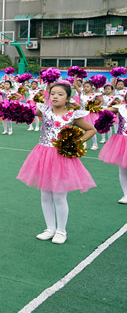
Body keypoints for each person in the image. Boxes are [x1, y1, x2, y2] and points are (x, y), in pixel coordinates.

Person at [16, 82, 96, 244]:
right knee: (45, 194)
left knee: (59, 195)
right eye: (52, 94)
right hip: (43, 155)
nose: (55, 97)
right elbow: (26, 112)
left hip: (61, 157)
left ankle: (61, 231)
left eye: (60, 94)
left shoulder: (72, 115)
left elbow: (91, 129)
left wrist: (76, 142)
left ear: (68, 98)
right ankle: (50, 228)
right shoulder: (44, 110)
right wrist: (17, 104)